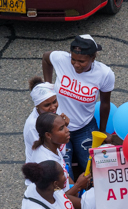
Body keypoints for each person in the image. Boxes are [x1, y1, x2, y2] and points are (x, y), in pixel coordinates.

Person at [42, 34, 114, 177]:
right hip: (59, 127)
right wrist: (48, 87)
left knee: (92, 170)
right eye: (73, 59)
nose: (76, 64)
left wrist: (103, 131)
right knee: (64, 173)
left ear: (93, 58)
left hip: (85, 128)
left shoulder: (104, 74)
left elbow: (105, 104)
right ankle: (71, 199)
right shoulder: (61, 59)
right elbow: (46, 58)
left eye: (82, 61)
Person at [24, 78, 63, 160]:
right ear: (37, 105)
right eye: (47, 105)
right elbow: (47, 151)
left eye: (54, 101)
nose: (53, 107)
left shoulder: (53, 112)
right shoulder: (33, 126)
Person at [27, 112, 72, 183]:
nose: (67, 130)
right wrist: (78, 185)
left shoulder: (53, 147)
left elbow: (66, 175)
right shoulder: (47, 163)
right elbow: (54, 194)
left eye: (65, 126)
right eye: (61, 128)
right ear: (48, 135)